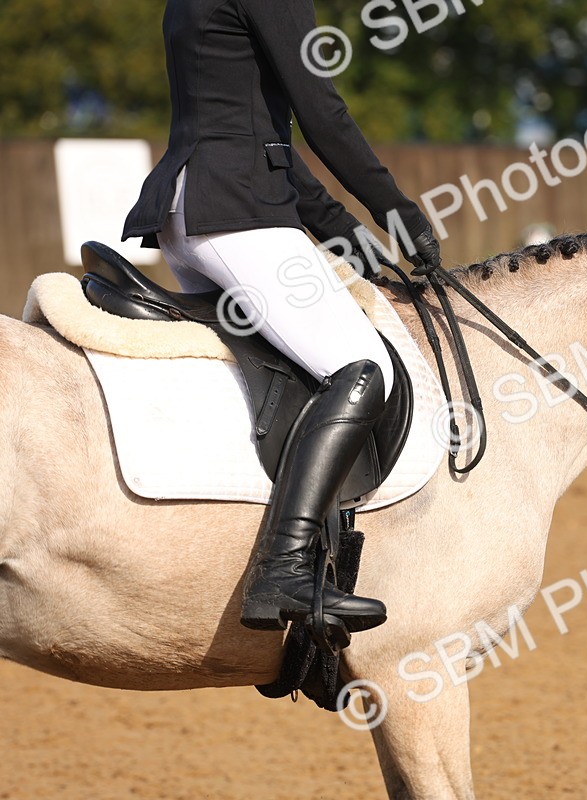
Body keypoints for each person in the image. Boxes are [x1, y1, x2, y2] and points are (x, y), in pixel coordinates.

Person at [121, 0, 442, 634]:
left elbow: (264, 130)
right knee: (362, 367)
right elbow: (321, 110)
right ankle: (284, 570)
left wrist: (345, 232)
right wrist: (394, 207)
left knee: (284, 368)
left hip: (192, 206)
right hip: (236, 209)